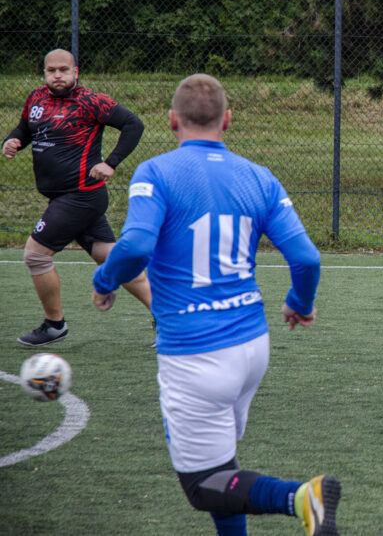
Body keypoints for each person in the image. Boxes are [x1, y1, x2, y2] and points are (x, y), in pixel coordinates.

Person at [91, 74, 340, 536]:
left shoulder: (156, 172)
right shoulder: (259, 176)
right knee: (224, 474)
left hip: (195, 354)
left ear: (172, 121)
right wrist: (299, 302)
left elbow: (136, 245)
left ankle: (302, 498)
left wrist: (104, 280)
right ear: (227, 120)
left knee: (204, 485)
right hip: (252, 345)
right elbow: (307, 258)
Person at [3, 48, 152, 346]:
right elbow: (26, 128)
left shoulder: (90, 101)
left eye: (64, 70)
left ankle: (54, 325)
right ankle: (171, 317)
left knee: (35, 255)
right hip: (67, 198)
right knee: (115, 261)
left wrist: (110, 163)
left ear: (75, 72)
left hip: (80, 196)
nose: (57, 75)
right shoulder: (36, 98)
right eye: (51, 70)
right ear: (44, 73)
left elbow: (134, 125)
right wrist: (13, 140)